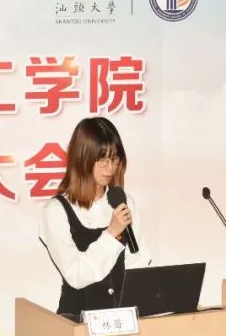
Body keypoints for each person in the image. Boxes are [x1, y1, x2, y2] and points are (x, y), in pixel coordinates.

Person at [39, 117, 150, 316]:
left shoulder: (125, 203)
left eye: (115, 159)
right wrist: (112, 233)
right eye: (102, 160)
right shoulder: (55, 210)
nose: (110, 168)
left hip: (120, 320)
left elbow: (138, 262)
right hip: (77, 322)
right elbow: (76, 275)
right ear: (82, 159)